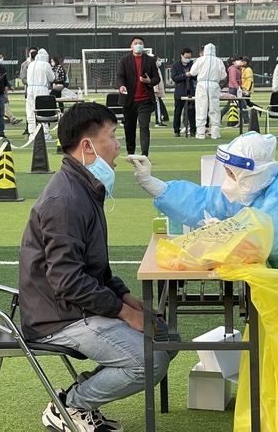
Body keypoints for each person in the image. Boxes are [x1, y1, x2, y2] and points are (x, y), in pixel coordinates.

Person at [19, 102, 176, 432]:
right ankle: (71, 406)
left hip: (73, 305)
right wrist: (127, 314)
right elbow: (68, 281)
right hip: (58, 315)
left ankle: (80, 399)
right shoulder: (65, 199)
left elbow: (95, 270)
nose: (119, 145)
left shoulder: (84, 188)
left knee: (165, 337)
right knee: (152, 358)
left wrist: (132, 301)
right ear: (87, 146)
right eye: (113, 136)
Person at [127, 132, 278, 270]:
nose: (228, 178)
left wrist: (224, 235)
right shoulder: (256, 192)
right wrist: (154, 185)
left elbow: (273, 243)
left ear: (252, 172)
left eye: (232, 173)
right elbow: (207, 202)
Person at [116, 36, 158, 155]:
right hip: (129, 100)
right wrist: (121, 86)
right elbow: (120, 76)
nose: (138, 45)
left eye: (140, 43)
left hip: (145, 100)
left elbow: (157, 78)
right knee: (129, 127)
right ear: (131, 46)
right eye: (136, 43)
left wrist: (149, 81)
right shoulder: (125, 60)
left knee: (144, 126)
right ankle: (131, 152)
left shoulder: (150, 60)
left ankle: (145, 153)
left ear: (143, 46)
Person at [187, 42, 225, 140]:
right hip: (214, 85)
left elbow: (192, 72)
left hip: (202, 84)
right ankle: (215, 133)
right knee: (214, 108)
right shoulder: (219, 61)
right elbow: (223, 75)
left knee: (201, 108)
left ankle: (200, 133)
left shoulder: (200, 60)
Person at [25, 48, 55, 140]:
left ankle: (31, 132)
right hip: (42, 89)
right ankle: (45, 133)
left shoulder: (30, 64)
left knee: (30, 111)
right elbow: (51, 78)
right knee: (43, 111)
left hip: (30, 89)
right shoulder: (45, 65)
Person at [170, 48, 196, 137]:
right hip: (180, 92)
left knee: (192, 112)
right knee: (178, 112)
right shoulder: (175, 65)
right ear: (182, 55)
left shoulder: (193, 64)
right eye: (186, 57)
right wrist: (185, 75)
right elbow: (174, 78)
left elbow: (197, 76)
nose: (188, 59)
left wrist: (192, 75)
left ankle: (193, 130)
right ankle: (176, 130)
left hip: (190, 92)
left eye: (189, 57)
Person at [219, 56, 250, 126]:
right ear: (233, 62)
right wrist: (238, 88)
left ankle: (247, 120)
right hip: (234, 89)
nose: (240, 61)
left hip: (236, 89)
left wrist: (240, 87)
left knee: (243, 104)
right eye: (238, 60)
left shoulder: (238, 69)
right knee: (232, 105)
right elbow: (233, 80)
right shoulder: (233, 69)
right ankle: (247, 120)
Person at [0, 51, 14, 137]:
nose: (0, 59)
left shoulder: (3, 69)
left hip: (1, 94)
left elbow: (5, 82)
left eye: (1, 57)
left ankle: (1, 131)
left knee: (0, 114)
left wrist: (6, 95)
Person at [152, 55, 168, 128]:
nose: (159, 61)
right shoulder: (154, 69)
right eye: (158, 60)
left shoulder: (157, 69)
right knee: (157, 107)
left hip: (157, 91)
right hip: (156, 92)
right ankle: (158, 121)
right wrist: (155, 91)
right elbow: (155, 82)